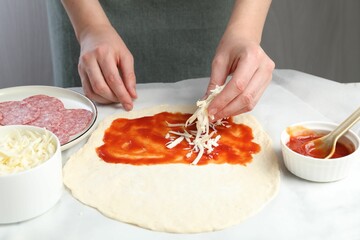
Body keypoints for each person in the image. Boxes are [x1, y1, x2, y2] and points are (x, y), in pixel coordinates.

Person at [60, 0, 274, 120]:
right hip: (88, 9)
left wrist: (246, 30)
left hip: (216, 13)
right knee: (98, 89)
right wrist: (90, 27)